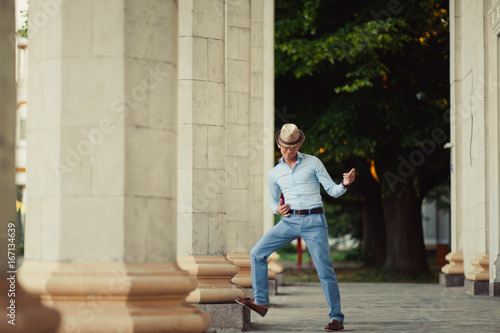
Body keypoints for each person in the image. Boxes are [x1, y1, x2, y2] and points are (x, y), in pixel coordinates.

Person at [235, 123, 356, 332]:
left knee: (324, 270)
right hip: (289, 221)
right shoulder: (275, 173)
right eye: (284, 146)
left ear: (298, 145)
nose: (288, 150)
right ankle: (261, 302)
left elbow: (332, 190)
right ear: (279, 144)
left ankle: (336, 317)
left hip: (314, 222)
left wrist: (344, 184)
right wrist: (277, 209)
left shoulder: (313, 163)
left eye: (292, 147)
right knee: (257, 253)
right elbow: (273, 202)